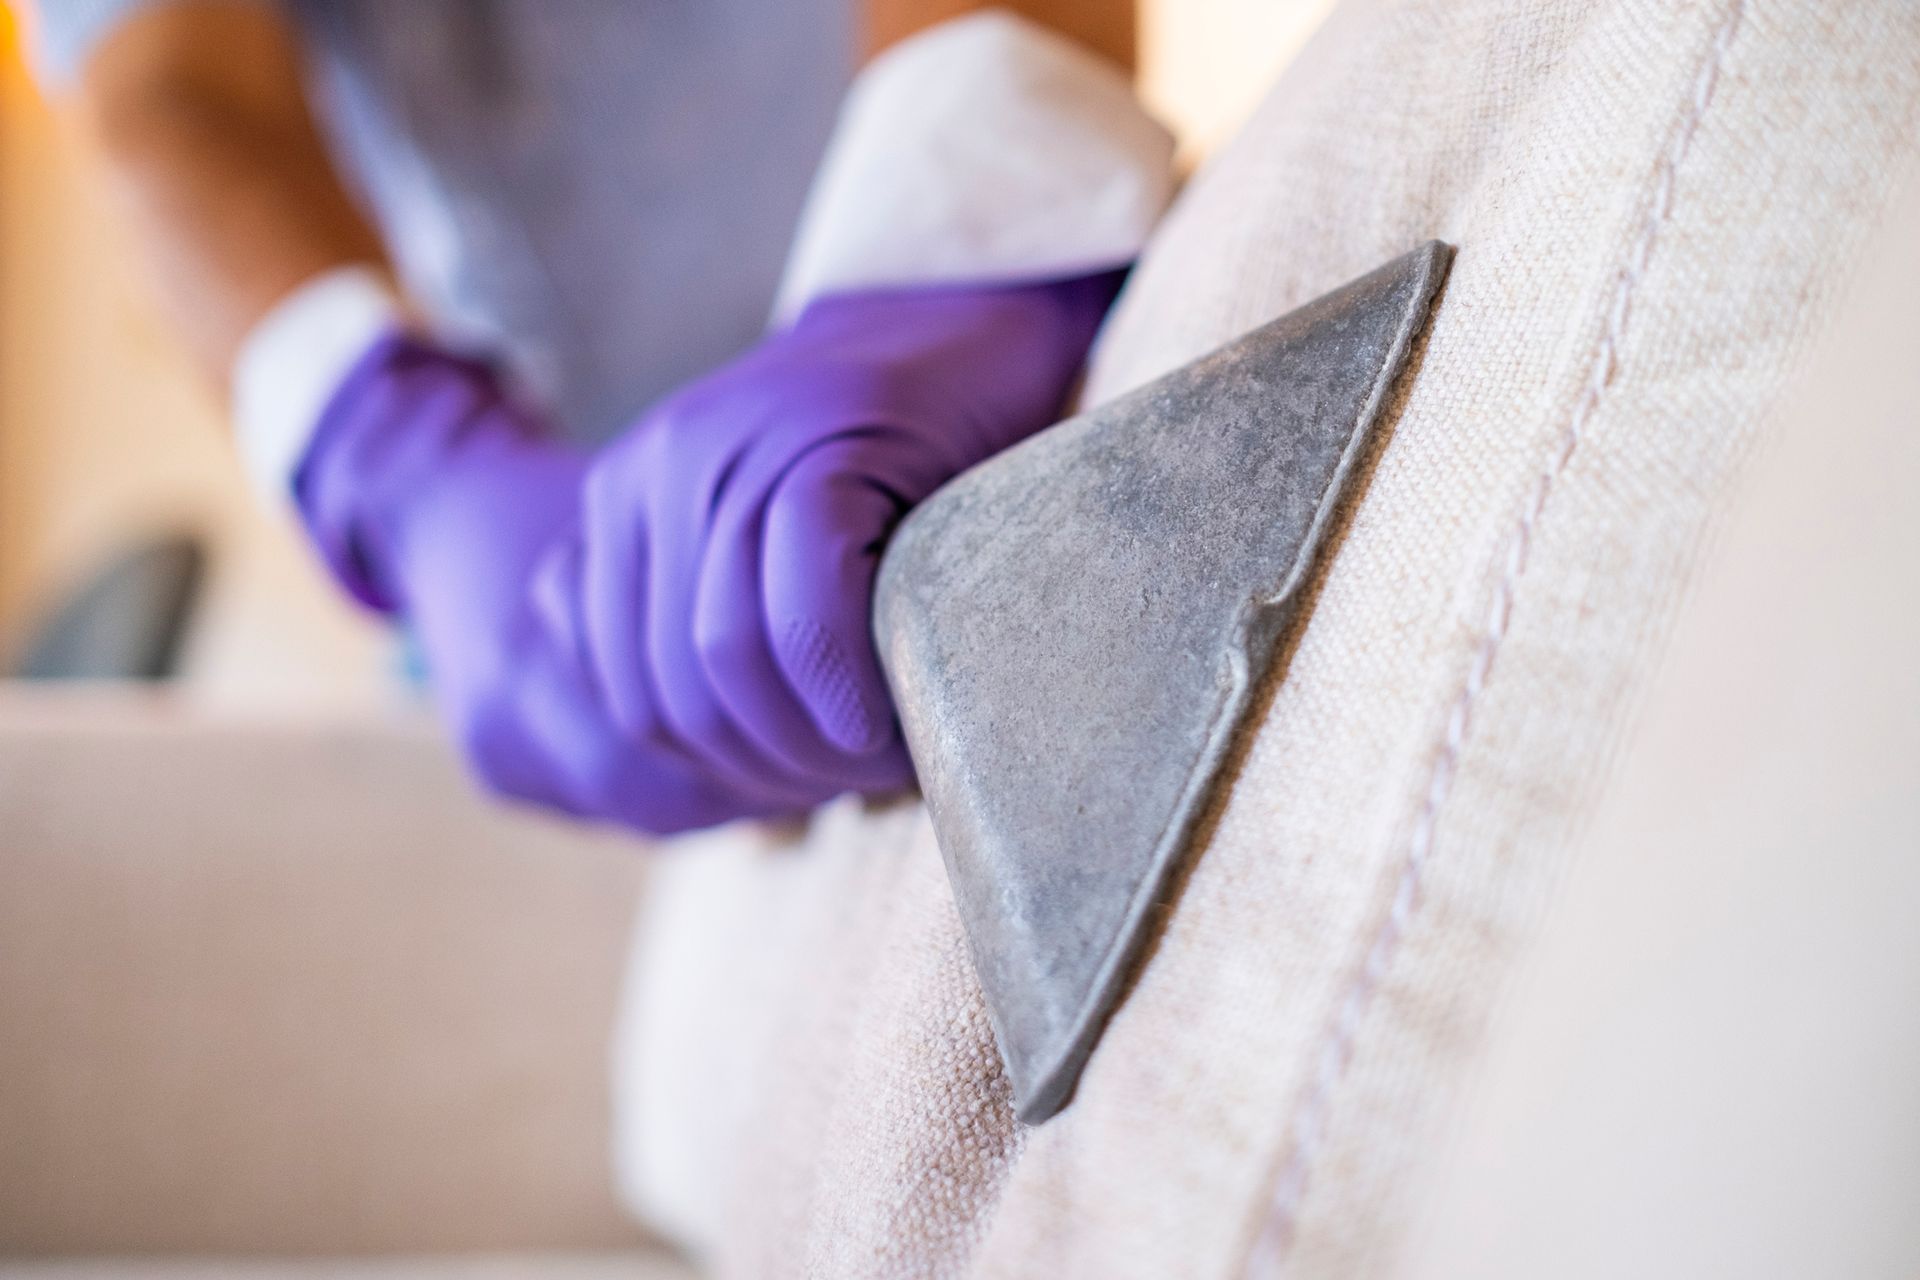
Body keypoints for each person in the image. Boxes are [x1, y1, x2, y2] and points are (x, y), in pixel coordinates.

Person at [20, 0, 1175, 832]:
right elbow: (172, 91)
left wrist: (952, 236)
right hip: (530, 536)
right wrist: (390, 449)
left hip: (940, 332)